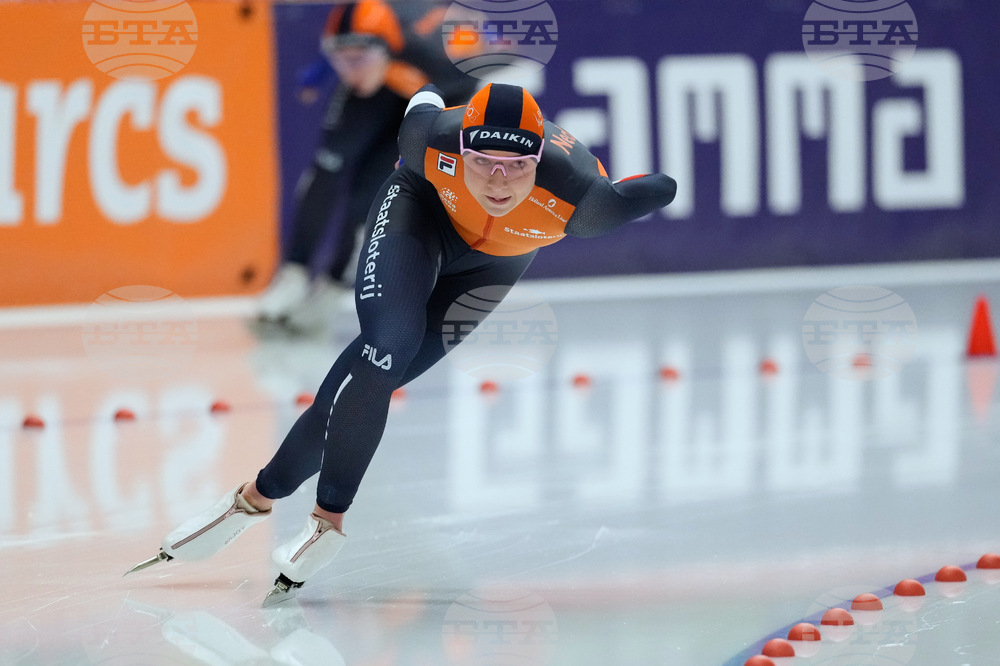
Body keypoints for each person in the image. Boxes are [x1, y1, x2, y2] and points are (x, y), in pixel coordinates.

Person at [127, 83, 677, 605]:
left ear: (539, 163)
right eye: (482, 161)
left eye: (516, 167)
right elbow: (424, 98)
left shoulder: (585, 203)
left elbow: (659, 187)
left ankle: (255, 498)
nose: (498, 182)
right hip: (418, 212)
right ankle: (327, 521)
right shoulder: (427, 140)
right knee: (387, 345)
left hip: (490, 267)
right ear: (459, 149)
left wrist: (642, 186)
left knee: (374, 376)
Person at [257, 0, 476, 331]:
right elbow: (349, 48)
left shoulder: (433, 52)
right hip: (383, 84)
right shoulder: (363, 50)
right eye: (340, 59)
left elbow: (467, 88)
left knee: (369, 195)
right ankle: (294, 274)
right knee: (326, 169)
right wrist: (321, 72)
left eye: (359, 58)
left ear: (387, 49)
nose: (350, 70)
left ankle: (331, 289)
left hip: (427, 98)